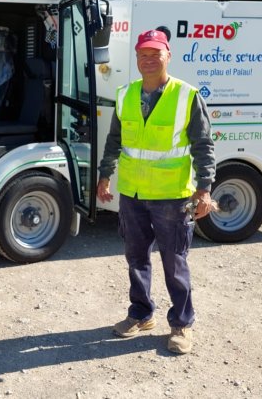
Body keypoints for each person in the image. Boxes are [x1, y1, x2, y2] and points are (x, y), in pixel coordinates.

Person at [96, 29, 216, 355]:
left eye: (155, 54)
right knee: (135, 257)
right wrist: (104, 176)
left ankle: (181, 324)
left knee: (174, 261)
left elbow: (204, 146)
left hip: (171, 195)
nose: (148, 60)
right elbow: (114, 141)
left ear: (168, 55)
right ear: (136, 58)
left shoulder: (186, 96)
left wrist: (204, 189)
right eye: (143, 55)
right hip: (133, 194)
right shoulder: (126, 94)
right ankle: (141, 313)